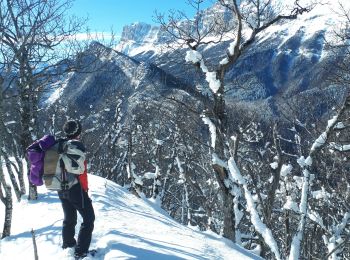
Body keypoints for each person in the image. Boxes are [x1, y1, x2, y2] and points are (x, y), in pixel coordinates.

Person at [57, 119, 95, 259]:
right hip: (75, 188)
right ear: (78, 132)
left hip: (60, 187)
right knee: (89, 218)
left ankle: (68, 246)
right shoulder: (76, 148)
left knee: (69, 218)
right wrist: (85, 190)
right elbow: (82, 173)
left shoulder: (59, 145)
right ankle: (80, 252)